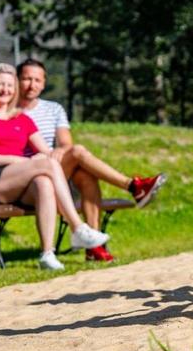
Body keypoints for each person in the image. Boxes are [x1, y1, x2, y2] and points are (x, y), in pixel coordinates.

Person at [17, 58, 167, 261]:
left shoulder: (54, 109)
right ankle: (133, 186)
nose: (31, 84)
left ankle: (94, 247)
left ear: (44, 83)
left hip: (56, 168)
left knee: (84, 173)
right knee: (79, 155)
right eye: (26, 79)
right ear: (18, 80)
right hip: (27, 175)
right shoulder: (10, 111)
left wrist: (60, 151)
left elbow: (65, 143)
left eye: (37, 80)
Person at [0, 63, 110, 271]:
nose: (5, 90)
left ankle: (47, 255)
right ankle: (77, 227)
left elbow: (47, 152)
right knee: (46, 166)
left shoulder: (22, 119)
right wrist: (15, 160)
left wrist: (55, 154)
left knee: (43, 182)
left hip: (19, 182)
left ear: (15, 89)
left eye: (9, 85)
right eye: (0, 85)